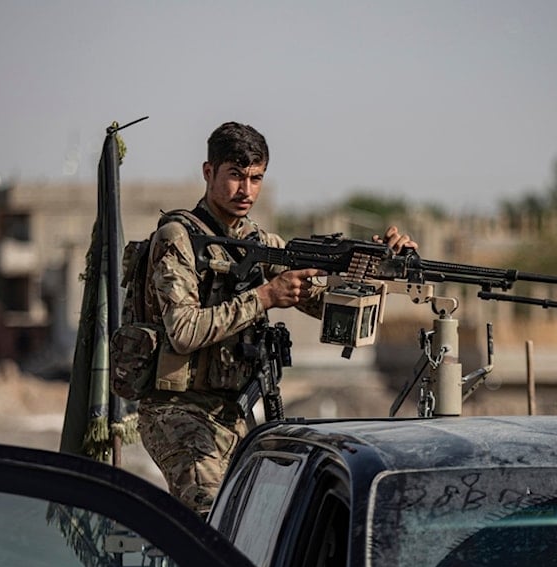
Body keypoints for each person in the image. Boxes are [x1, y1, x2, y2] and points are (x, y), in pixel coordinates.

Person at [136, 121, 415, 515]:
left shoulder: (258, 243)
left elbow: (325, 306)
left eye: (256, 178)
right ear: (208, 172)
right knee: (212, 518)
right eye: (235, 175)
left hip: (233, 413)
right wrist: (266, 296)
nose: (246, 190)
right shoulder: (177, 238)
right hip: (178, 411)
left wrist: (376, 265)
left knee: (267, 520)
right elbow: (182, 331)